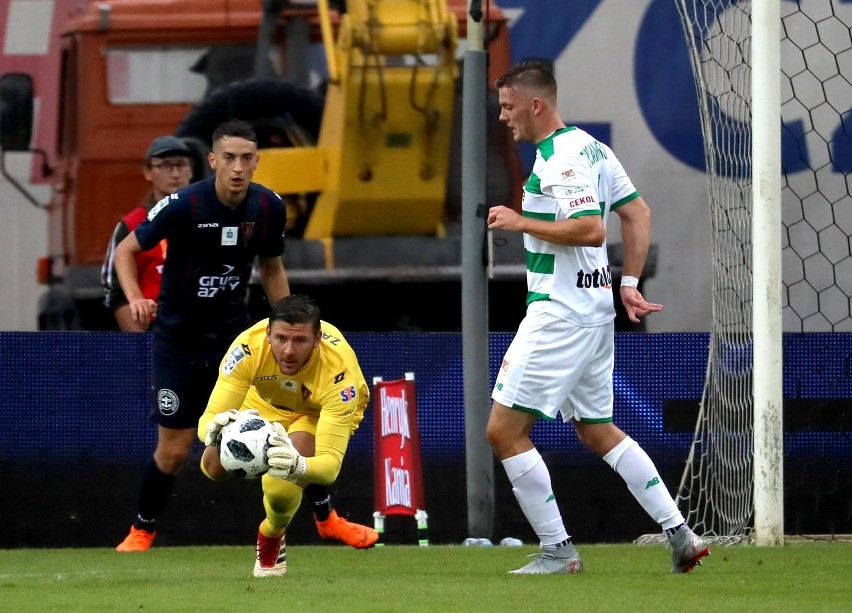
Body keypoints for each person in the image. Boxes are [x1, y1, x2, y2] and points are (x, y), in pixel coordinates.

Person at [485, 61, 710, 575]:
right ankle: (680, 534)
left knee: (503, 431)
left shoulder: (560, 159)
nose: (503, 117)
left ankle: (557, 549)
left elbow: (589, 228)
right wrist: (627, 283)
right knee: (597, 429)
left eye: (508, 106)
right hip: (593, 311)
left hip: (559, 314)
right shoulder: (591, 147)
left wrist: (519, 220)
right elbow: (638, 213)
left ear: (535, 105)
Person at [113, 120, 370, 552]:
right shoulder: (183, 204)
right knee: (175, 450)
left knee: (288, 427)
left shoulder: (268, 206)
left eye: (245, 158)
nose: (237, 167)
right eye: (228, 158)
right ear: (213, 161)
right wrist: (136, 297)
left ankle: (328, 520)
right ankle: (143, 529)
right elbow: (126, 251)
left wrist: (290, 327)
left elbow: (271, 267)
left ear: (256, 161)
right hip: (178, 341)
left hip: (236, 339)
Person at [198, 294, 376, 577]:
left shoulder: (340, 376)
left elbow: (329, 467)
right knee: (212, 465)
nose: (289, 351)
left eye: (300, 341)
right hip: (264, 403)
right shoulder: (247, 348)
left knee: (281, 486)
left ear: (317, 339)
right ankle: (323, 517)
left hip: (314, 412)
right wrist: (214, 429)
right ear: (267, 334)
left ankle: (271, 533)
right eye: (281, 339)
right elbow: (209, 417)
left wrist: (298, 466)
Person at [101, 135, 193, 331]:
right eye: (165, 165)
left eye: (182, 165)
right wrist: (141, 344)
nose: (175, 173)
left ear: (191, 170)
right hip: (154, 330)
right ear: (148, 172)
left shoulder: (210, 219)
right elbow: (116, 293)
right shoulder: (132, 224)